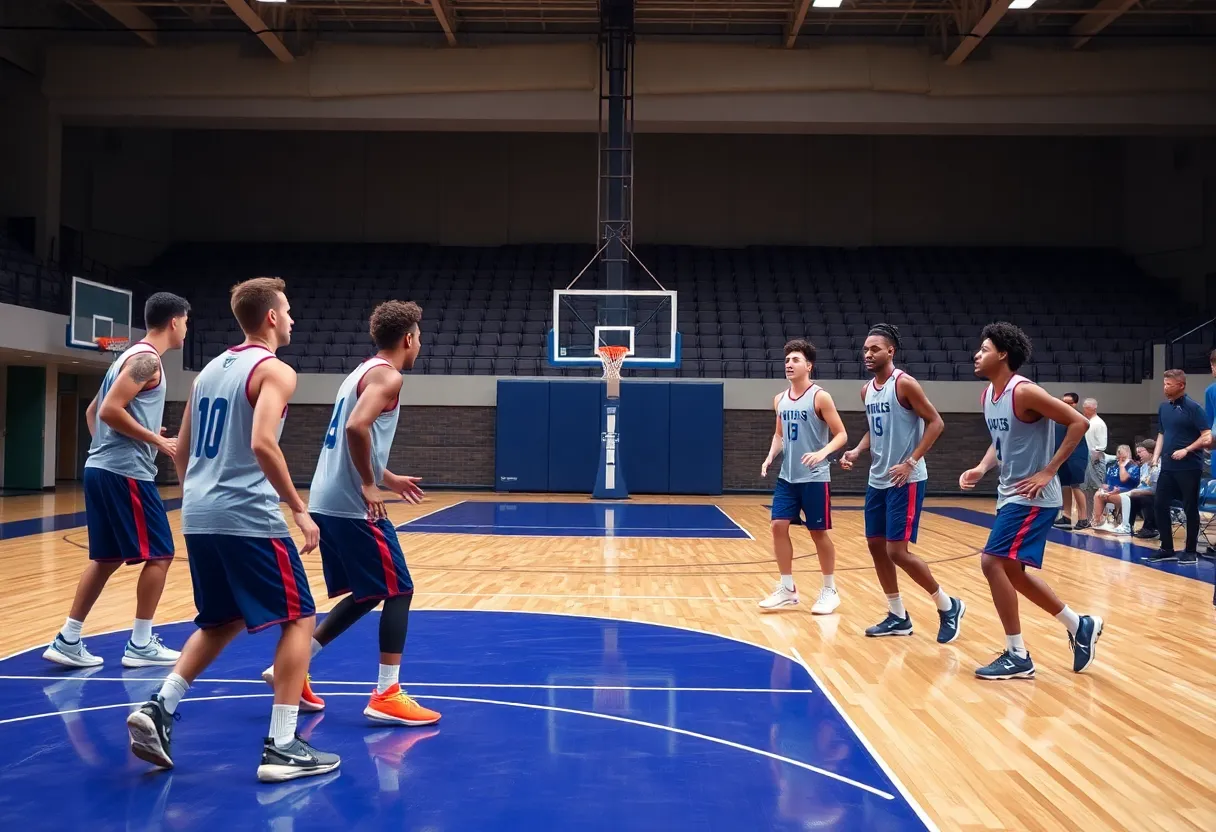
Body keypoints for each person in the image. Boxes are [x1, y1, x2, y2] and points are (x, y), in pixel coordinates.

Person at [126, 277, 340, 783]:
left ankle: (159, 706)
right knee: (300, 618)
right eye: (287, 311)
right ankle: (283, 745)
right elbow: (264, 442)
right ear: (269, 317)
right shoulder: (276, 371)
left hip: (199, 513)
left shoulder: (206, 374)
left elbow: (180, 447)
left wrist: (197, 496)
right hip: (248, 515)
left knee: (220, 619)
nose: (291, 319)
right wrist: (298, 508)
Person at [260, 301, 439, 727]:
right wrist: (368, 484)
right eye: (420, 338)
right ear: (409, 339)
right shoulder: (389, 376)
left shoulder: (359, 373)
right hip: (350, 505)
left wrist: (386, 476)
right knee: (399, 590)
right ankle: (386, 693)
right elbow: (357, 428)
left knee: (369, 591)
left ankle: (295, 666)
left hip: (325, 500)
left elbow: (356, 436)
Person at [43, 293, 190, 669]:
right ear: (174, 321)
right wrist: (154, 439)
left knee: (106, 556)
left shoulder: (125, 357)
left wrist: (122, 439)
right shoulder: (146, 360)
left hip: (101, 468)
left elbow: (95, 411)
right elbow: (109, 410)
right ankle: (141, 644)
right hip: (125, 473)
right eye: (186, 322)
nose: (187, 330)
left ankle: (68, 638)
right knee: (160, 553)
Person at [960, 322, 1104, 680]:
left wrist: (1049, 471)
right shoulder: (988, 396)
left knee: (992, 562)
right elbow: (1000, 441)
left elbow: (1077, 424)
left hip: (1034, 498)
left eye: (984, 349)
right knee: (1013, 573)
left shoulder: (1023, 391)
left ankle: (1017, 654)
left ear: (1003, 354)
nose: (977, 355)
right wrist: (981, 467)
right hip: (1010, 494)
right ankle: (1079, 624)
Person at [840, 323, 965, 642]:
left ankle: (948, 605)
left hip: (905, 480)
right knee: (875, 546)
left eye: (874, 349)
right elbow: (876, 429)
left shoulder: (904, 384)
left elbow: (936, 423)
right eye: (865, 349)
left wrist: (911, 461)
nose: (868, 354)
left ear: (890, 351)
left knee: (898, 551)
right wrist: (856, 450)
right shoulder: (866, 390)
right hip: (877, 478)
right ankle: (897, 615)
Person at [760, 339, 847, 614]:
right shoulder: (779, 399)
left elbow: (841, 434)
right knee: (777, 526)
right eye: (787, 360)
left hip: (815, 477)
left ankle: (830, 590)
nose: (789, 364)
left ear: (808, 366)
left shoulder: (820, 396)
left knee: (818, 533)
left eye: (795, 360)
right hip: (788, 477)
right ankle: (787, 588)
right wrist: (770, 455)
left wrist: (823, 453)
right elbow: (779, 434)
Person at [1148, 369, 1211, 565]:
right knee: (1159, 504)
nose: (1165, 387)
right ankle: (1167, 547)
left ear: (1181, 385)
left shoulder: (1194, 408)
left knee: (1190, 507)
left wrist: (1187, 449)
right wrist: (1155, 457)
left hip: (1189, 466)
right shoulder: (1163, 408)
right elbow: (1161, 433)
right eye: (1164, 383)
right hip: (1167, 465)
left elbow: (1207, 435)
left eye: (1169, 384)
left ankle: (1190, 550)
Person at [1051, 392, 1091, 531]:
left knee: (1076, 485)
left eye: (1069, 403)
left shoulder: (1078, 418)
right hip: (1063, 456)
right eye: (1064, 402)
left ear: (1075, 404)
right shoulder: (1058, 418)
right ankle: (1066, 517)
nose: (1066, 405)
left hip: (1076, 456)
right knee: (1065, 485)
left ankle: (1083, 519)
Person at [1075, 398, 1107, 530]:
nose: (1084, 410)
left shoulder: (1099, 423)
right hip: (1086, 459)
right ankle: (1087, 518)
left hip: (1095, 460)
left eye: (1086, 407)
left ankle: (1099, 518)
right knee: (1086, 489)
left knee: (1096, 488)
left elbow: (1102, 445)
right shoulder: (1087, 422)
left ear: (1093, 408)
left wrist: (1094, 458)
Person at [1090, 445, 1140, 531]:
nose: (1120, 461)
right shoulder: (1112, 466)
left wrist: (1122, 466)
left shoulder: (1133, 467)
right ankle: (1097, 521)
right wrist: (1105, 489)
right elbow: (1105, 484)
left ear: (1129, 457)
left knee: (1112, 496)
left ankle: (1119, 522)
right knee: (1098, 494)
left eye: (1123, 458)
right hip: (1111, 491)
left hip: (1126, 493)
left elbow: (1123, 479)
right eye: (1118, 458)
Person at [1121, 440, 1159, 538]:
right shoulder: (1143, 466)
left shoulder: (1158, 465)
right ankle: (1128, 526)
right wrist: (1134, 492)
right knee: (1131, 497)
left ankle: (1150, 529)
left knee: (1144, 498)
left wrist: (1136, 491)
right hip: (1146, 493)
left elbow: (1154, 490)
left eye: (1140, 452)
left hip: (1160, 495)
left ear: (1150, 451)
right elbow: (1142, 485)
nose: (1138, 455)